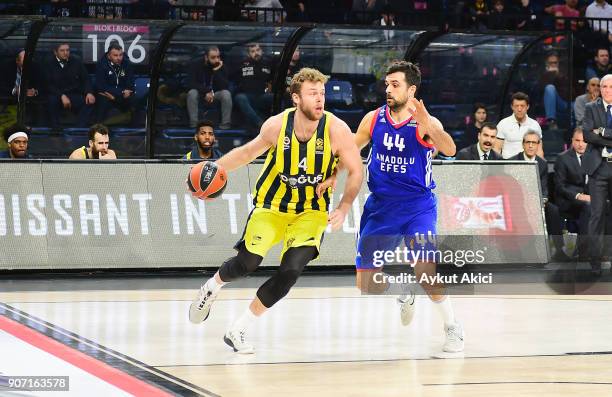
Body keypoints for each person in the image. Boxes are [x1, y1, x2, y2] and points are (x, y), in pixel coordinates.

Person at [188, 68, 363, 353]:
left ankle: (240, 328)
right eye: (312, 94)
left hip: (311, 211)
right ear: (296, 98)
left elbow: (356, 171)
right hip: (271, 207)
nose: (320, 100)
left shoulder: (336, 129)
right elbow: (246, 153)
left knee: (290, 272)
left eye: (322, 93)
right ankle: (211, 287)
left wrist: (344, 207)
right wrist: (215, 170)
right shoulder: (277, 126)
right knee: (247, 263)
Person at [321, 61, 463, 352]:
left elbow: (450, 149)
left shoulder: (424, 122)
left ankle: (452, 327)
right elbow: (350, 149)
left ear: (411, 89)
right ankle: (405, 292)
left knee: (426, 271)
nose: (388, 89)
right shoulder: (374, 119)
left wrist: (430, 127)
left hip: (418, 207)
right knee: (365, 283)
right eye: (387, 84)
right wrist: (335, 173)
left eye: (395, 84)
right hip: (381, 207)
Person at [510, 131, 570, 262]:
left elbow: (543, 188)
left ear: (538, 145)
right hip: (517, 202)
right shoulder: (513, 161)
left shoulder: (542, 163)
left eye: (534, 143)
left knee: (553, 210)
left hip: (536, 201)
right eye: (528, 142)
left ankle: (559, 250)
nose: (531, 146)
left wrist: (543, 200)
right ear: (523, 145)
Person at [582, 73, 612, 274]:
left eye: (611, 87)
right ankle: (594, 261)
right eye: (604, 87)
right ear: (599, 89)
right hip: (598, 167)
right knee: (597, 214)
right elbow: (586, 134)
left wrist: (602, 131)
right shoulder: (591, 107)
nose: (607, 90)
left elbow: (595, 134)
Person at [554, 128, 590, 259]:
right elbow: (560, 187)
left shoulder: (593, 157)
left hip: (588, 198)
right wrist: (579, 196)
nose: (581, 144)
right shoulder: (563, 158)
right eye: (577, 140)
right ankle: (583, 251)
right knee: (588, 206)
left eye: (584, 141)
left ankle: (602, 250)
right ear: (572, 141)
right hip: (568, 200)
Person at [43, 43, 95, 128]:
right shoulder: (48, 62)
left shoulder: (76, 61)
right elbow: (47, 85)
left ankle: (79, 129)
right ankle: (56, 130)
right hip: (56, 94)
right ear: (55, 52)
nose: (65, 53)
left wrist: (89, 92)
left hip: (72, 93)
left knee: (89, 102)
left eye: (67, 50)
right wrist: (61, 95)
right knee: (51, 101)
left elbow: (85, 79)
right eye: (62, 50)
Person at [186, 46, 232, 129]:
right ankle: (194, 124)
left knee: (226, 94)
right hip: (200, 94)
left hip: (215, 95)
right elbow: (190, 83)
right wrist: (206, 91)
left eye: (218, 57)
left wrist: (216, 71)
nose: (216, 60)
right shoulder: (195, 64)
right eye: (213, 57)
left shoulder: (220, 65)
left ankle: (226, 124)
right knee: (192, 93)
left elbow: (225, 86)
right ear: (206, 57)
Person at [234, 43, 273, 131]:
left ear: (262, 51)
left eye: (258, 50)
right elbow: (233, 78)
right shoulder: (242, 64)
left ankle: (279, 124)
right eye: (253, 51)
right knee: (240, 97)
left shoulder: (268, 63)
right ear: (248, 54)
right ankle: (260, 123)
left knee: (275, 97)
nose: (256, 53)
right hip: (246, 96)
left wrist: (270, 86)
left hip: (261, 96)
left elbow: (272, 80)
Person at [494, 91, 543, 159]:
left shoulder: (535, 125)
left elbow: (539, 150)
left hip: (529, 166)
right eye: (516, 106)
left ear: (527, 107)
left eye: (522, 106)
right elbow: (496, 149)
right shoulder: (503, 124)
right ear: (512, 107)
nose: (519, 109)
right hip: (508, 165)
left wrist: (539, 168)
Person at [95, 43, 135, 123]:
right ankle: (99, 129)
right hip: (107, 95)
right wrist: (121, 91)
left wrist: (122, 93)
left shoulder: (127, 64)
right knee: (102, 101)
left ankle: (133, 130)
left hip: (121, 96)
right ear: (109, 56)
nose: (119, 58)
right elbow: (101, 86)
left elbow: (130, 84)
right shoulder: (101, 64)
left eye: (120, 55)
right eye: (115, 55)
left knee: (134, 101)